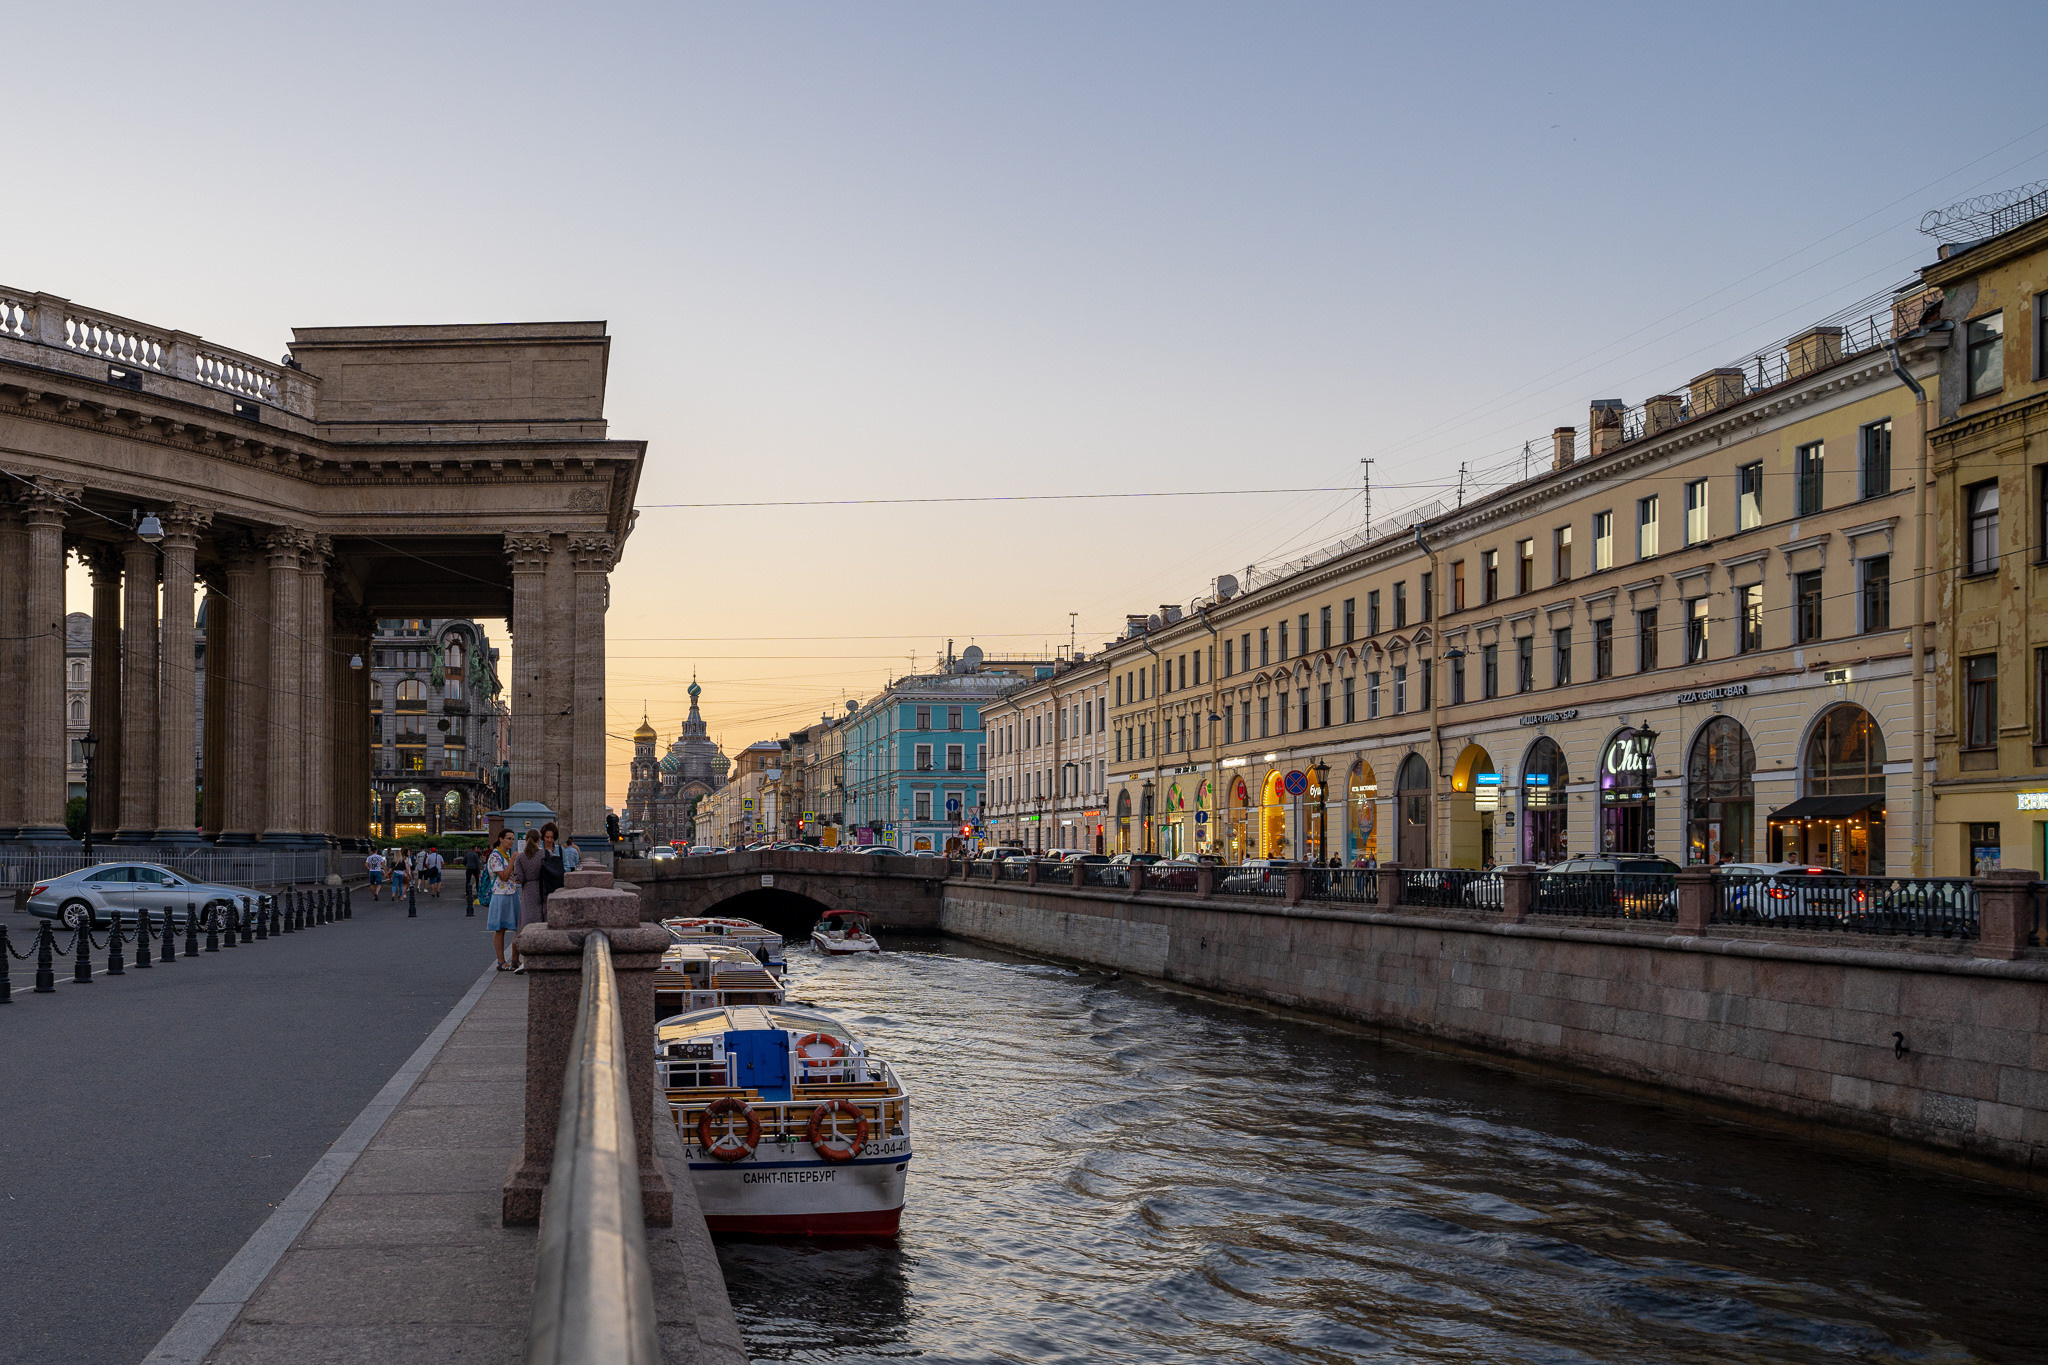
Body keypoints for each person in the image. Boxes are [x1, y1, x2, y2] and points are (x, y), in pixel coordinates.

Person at [486, 830, 522, 970]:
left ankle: (515, 960)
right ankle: (501, 961)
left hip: (511, 892)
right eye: (508, 838)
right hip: (500, 894)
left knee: (518, 927)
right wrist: (513, 860)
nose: (511, 841)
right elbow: (504, 876)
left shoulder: (505, 855)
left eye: (513, 839)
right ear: (500, 839)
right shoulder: (495, 855)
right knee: (500, 929)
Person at [514, 829, 548, 948]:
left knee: (528, 915)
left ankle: (527, 944)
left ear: (525, 839)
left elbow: (519, 879)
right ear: (539, 840)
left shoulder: (520, 857)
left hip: (528, 889)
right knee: (542, 915)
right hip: (544, 888)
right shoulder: (546, 854)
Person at [538, 822, 567, 902]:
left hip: (557, 886)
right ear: (543, 836)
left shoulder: (561, 850)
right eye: (547, 837)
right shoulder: (538, 851)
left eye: (552, 837)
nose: (549, 840)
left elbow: (567, 867)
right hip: (542, 886)